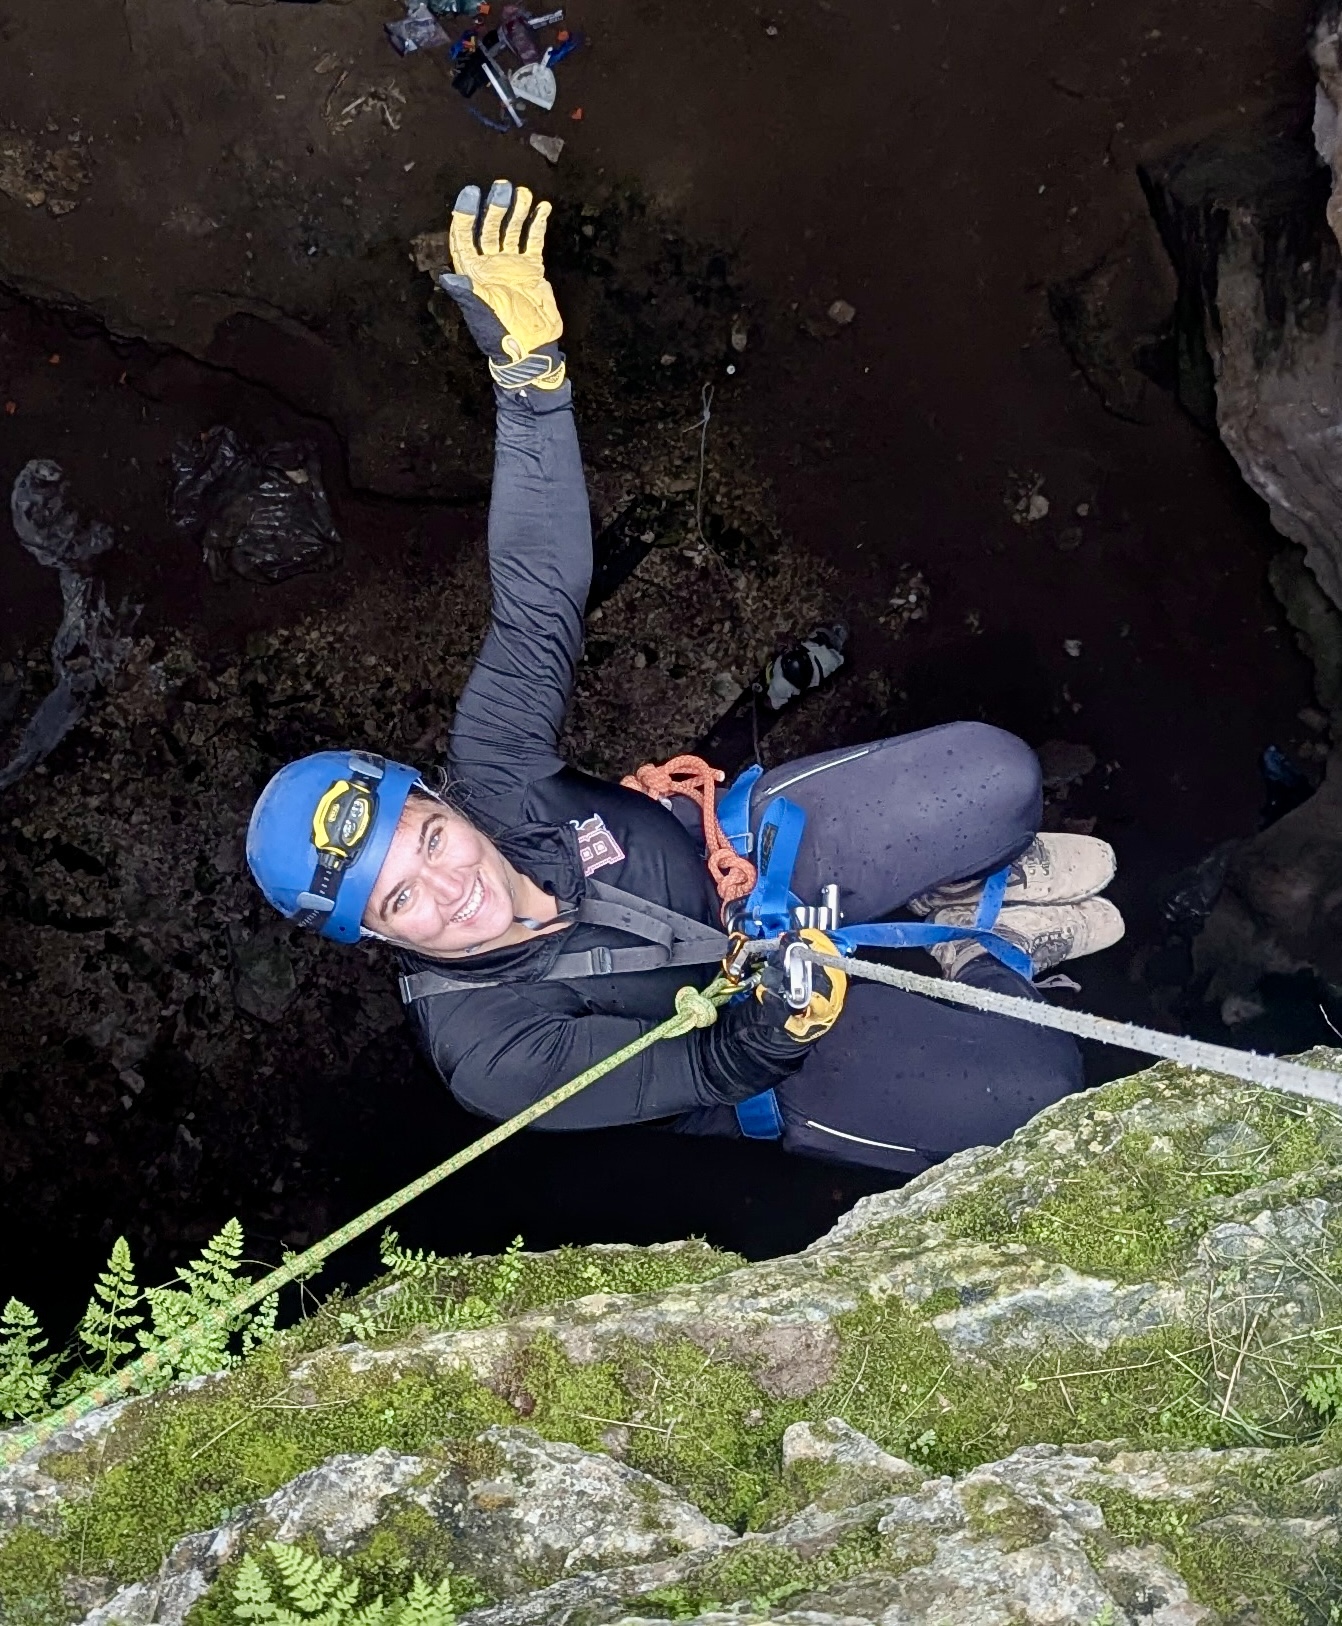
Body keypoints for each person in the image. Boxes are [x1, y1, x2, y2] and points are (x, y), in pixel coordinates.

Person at [246, 180, 1124, 1176]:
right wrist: (779, 1024)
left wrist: (531, 384)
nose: (451, 888)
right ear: (373, 936)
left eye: (430, 840)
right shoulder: (490, 1054)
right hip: (755, 1047)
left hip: (744, 863)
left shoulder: (495, 771)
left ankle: (950, 896)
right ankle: (976, 968)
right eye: (400, 899)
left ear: (440, 801)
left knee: (998, 776)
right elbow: (706, 1066)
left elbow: (538, 591)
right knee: (1040, 1092)